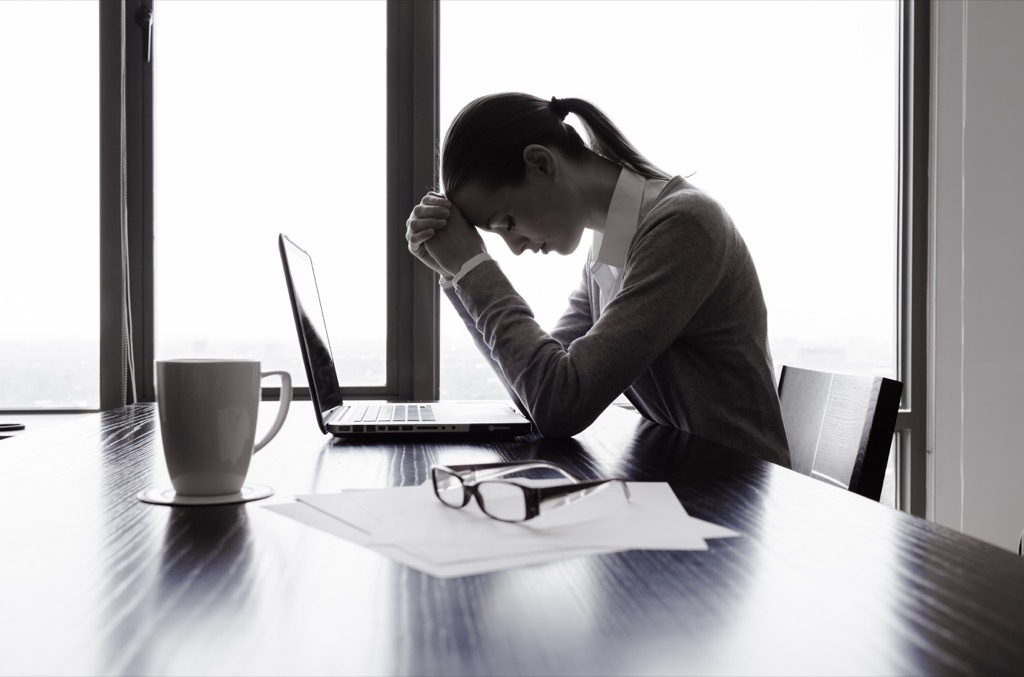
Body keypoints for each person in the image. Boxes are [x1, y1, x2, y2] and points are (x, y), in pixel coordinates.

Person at [405, 92, 790, 467]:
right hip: (683, 482)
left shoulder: (683, 225)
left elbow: (560, 405)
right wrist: (457, 275)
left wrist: (475, 271)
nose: (515, 248)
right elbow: (536, 394)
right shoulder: (610, 246)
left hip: (740, 497)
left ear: (541, 163)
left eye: (506, 222)